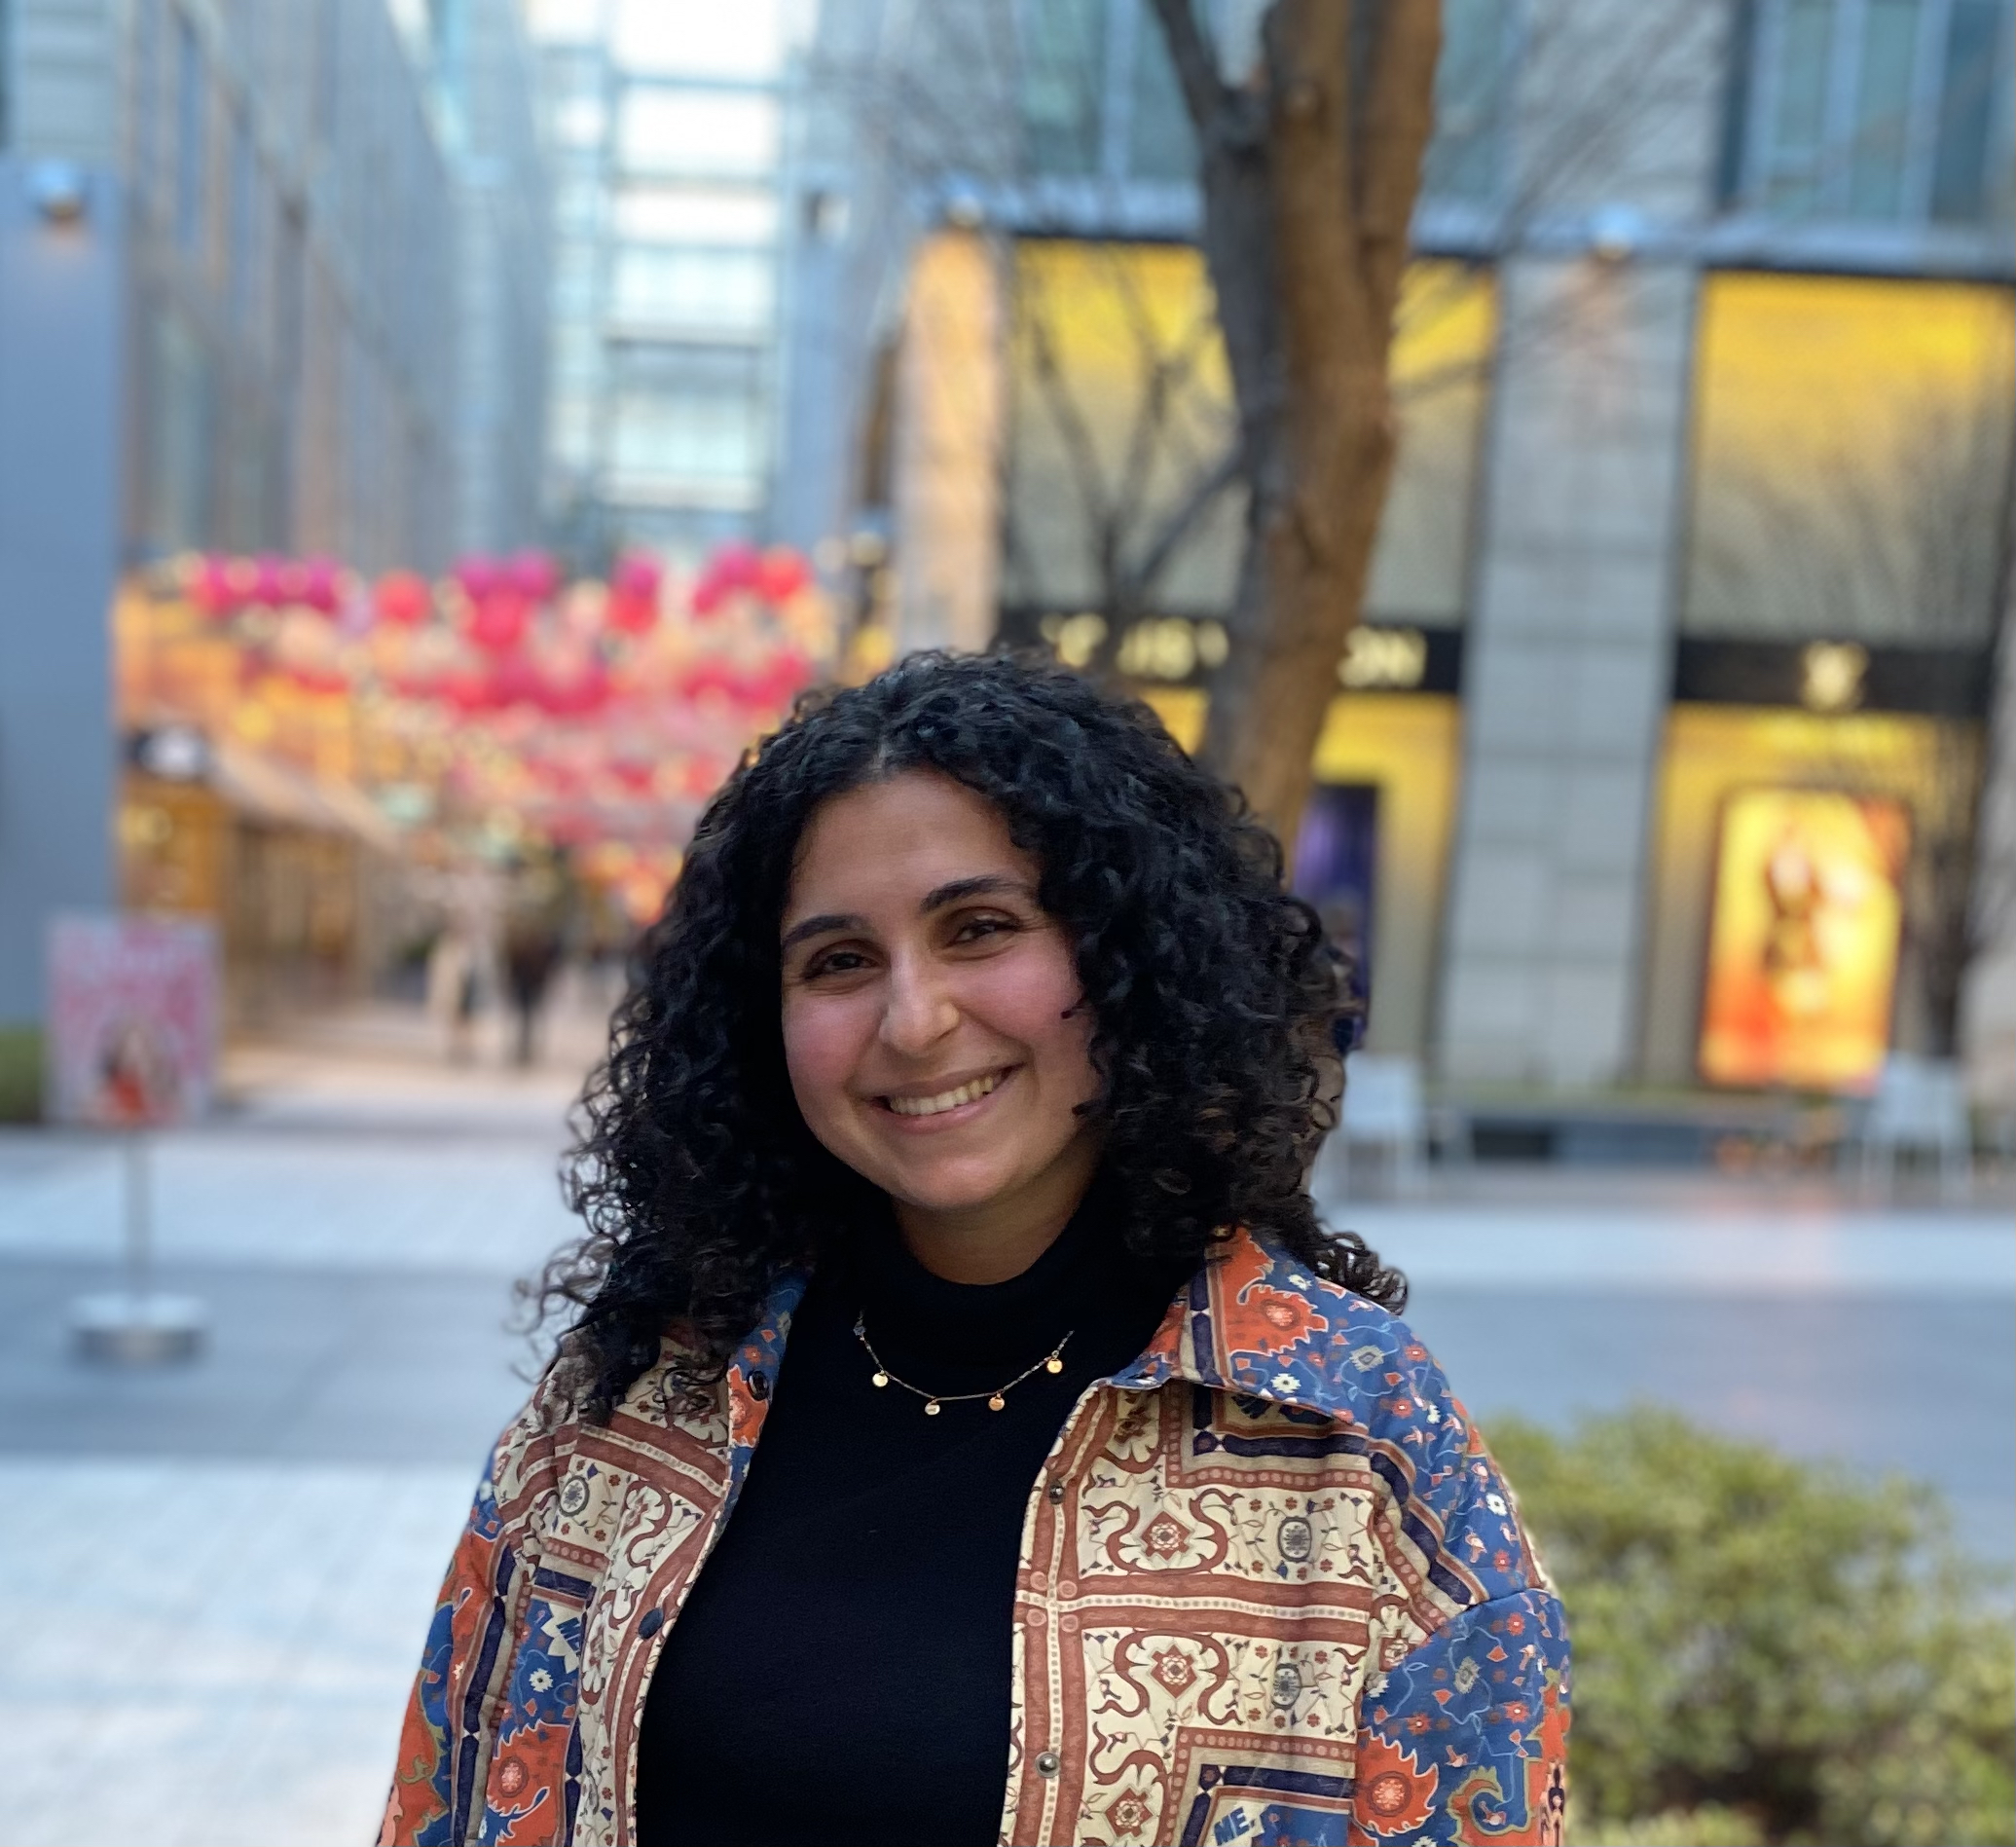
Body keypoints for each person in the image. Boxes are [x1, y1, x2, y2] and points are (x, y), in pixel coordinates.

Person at [380, 653, 1568, 1847]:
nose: (914, 1019)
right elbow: (447, 1800)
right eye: (839, 961)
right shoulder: (637, 1393)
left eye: (980, 927)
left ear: (1124, 952)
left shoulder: (1353, 1440)